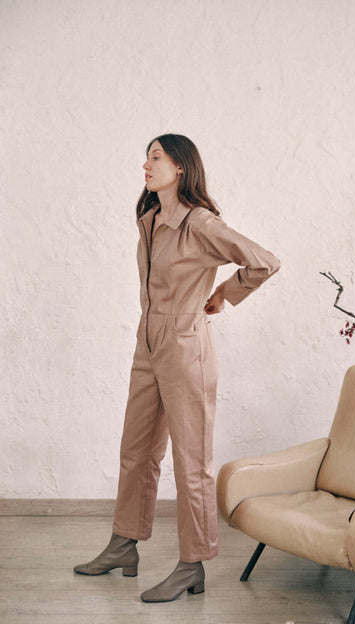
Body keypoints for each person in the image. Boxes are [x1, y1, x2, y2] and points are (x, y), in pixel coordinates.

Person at [73, 133, 280, 602]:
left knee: (192, 463)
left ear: (180, 167)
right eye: (146, 156)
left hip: (187, 345)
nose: (145, 164)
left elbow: (264, 262)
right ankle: (124, 544)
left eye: (155, 156)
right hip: (147, 342)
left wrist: (225, 293)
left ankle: (192, 564)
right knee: (137, 451)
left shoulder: (200, 223)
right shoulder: (149, 219)